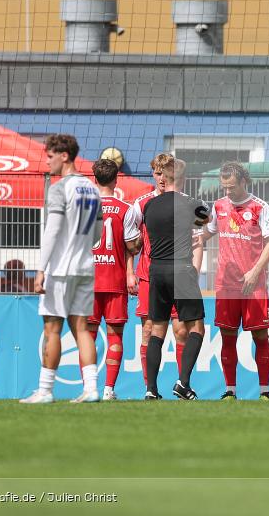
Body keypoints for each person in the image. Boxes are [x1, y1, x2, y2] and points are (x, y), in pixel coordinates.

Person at [21, 134, 102, 404]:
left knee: (52, 329)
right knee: (81, 328)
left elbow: (52, 231)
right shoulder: (92, 188)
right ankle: (91, 389)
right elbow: (98, 233)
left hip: (60, 269)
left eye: (50, 156)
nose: (47, 162)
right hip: (86, 267)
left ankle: (44, 391)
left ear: (64, 156)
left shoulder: (58, 189)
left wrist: (41, 269)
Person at [194, 161, 269, 401]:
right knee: (227, 336)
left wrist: (255, 272)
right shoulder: (218, 206)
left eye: (231, 187)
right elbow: (204, 232)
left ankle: (265, 392)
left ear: (243, 182)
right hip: (226, 285)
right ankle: (230, 391)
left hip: (254, 285)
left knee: (260, 336)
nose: (227, 192)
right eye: (224, 187)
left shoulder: (261, 208)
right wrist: (190, 237)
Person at [141, 157, 210, 400]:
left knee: (157, 330)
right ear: (181, 179)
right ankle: (183, 382)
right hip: (181, 269)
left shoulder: (149, 206)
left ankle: (151, 390)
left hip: (156, 271)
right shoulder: (191, 203)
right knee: (196, 328)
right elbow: (206, 222)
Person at [127, 153, 186, 392]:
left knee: (180, 330)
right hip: (148, 277)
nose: (161, 178)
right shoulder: (141, 204)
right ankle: (149, 388)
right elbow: (129, 241)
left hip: (179, 276)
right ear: (153, 174)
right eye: (158, 173)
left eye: (166, 173)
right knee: (149, 330)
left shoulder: (183, 201)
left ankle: (184, 384)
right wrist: (130, 272)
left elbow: (200, 234)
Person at [89, 159, 142, 401]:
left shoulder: (83, 208)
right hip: (115, 281)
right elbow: (132, 246)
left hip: (86, 282)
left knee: (87, 336)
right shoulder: (126, 208)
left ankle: (89, 388)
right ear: (116, 180)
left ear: (94, 179)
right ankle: (108, 389)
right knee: (115, 335)